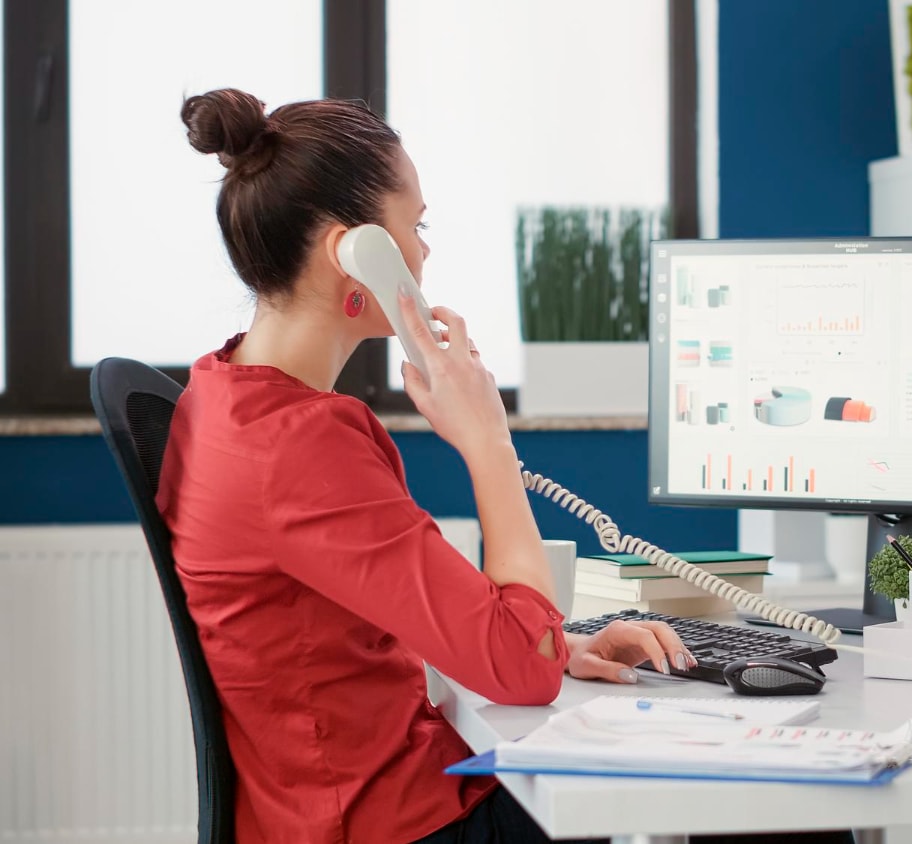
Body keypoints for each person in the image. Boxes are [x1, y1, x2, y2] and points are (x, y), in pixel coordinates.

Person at [159, 89, 853, 844]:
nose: (423, 254)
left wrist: (564, 646)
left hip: (354, 804)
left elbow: (450, 630)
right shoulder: (298, 447)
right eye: (414, 228)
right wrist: (488, 441)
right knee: (794, 803)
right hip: (397, 826)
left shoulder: (224, 395)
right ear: (356, 255)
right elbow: (522, 668)